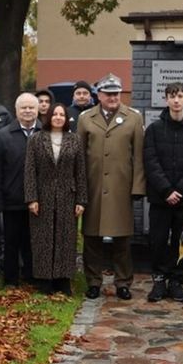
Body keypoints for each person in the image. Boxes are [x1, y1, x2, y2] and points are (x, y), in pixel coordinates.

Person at [79, 73, 145, 300]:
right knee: (91, 237)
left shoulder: (133, 118)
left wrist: (138, 187)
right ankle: (93, 282)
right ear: (99, 95)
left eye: (116, 93)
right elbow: (80, 156)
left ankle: (123, 282)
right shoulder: (86, 118)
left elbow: (139, 156)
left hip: (121, 187)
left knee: (122, 238)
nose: (113, 98)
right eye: (108, 94)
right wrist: (80, 188)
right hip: (93, 186)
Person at [144, 83, 183, 303]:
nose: (176, 100)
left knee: (181, 241)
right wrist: (166, 190)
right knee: (158, 240)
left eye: (180, 96)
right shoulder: (154, 129)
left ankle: (176, 281)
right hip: (160, 197)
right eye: (172, 96)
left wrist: (180, 190)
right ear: (166, 100)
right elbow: (150, 161)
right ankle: (159, 280)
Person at [26, 103, 86, 295]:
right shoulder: (36, 139)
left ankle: (63, 279)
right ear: (49, 117)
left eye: (62, 115)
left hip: (67, 196)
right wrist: (31, 198)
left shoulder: (75, 140)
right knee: (43, 238)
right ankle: (45, 281)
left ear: (66, 118)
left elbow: (80, 172)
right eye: (55, 114)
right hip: (42, 196)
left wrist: (81, 200)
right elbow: (30, 171)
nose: (58, 117)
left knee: (65, 238)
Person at [0, 93, 41, 287]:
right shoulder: (3, 135)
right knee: (11, 242)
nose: (27, 111)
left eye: (31, 107)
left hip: (37, 201)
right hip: (11, 199)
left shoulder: (44, 133)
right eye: (23, 108)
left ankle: (32, 276)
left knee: (33, 241)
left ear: (37, 110)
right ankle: (10, 279)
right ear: (16, 110)